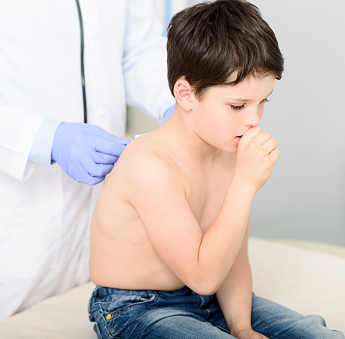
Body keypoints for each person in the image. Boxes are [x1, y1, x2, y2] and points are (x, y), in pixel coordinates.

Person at [0, 0, 175, 329]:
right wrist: (48, 138)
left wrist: (178, 104)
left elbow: (138, 50)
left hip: (105, 216)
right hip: (12, 222)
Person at [88, 1, 344, 338]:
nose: (253, 119)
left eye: (263, 101)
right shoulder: (150, 165)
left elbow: (233, 257)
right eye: (237, 105)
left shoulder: (227, 150)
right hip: (136, 307)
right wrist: (245, 184)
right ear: (186, 94)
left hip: (207, 297)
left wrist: (242, 327)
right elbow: (202, 276)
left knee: (315, 334)